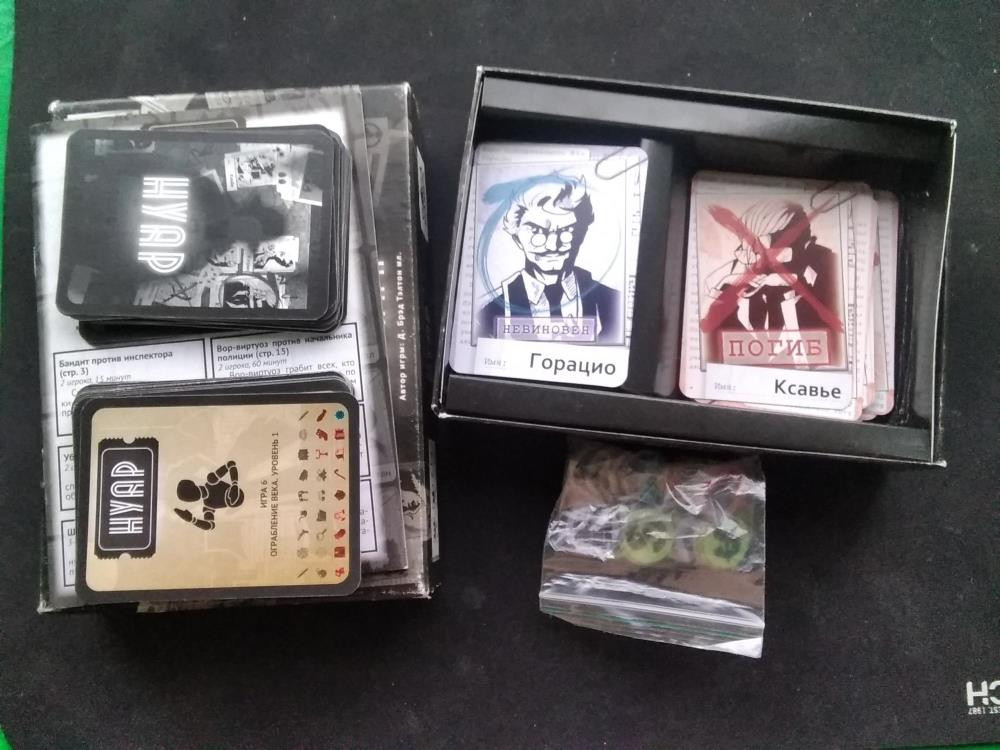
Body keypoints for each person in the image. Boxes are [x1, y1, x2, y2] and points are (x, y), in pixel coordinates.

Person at [478, 177, 621, 343]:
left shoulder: (614, 303)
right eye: (536, 231)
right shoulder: (489, 314)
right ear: (516, 236)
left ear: (580, 235)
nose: (553, 245)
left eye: (567, 230)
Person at [174, 460, 244, 531]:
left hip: (235, 493)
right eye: (189, 496)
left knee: (211, 478)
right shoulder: (208, 505)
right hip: (234, 499)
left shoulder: (212, 482)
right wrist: (192, 520)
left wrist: (234, 484)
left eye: (190, 494)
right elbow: (210, 526)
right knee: (211, 478)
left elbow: (231, 465)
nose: (192, 497)